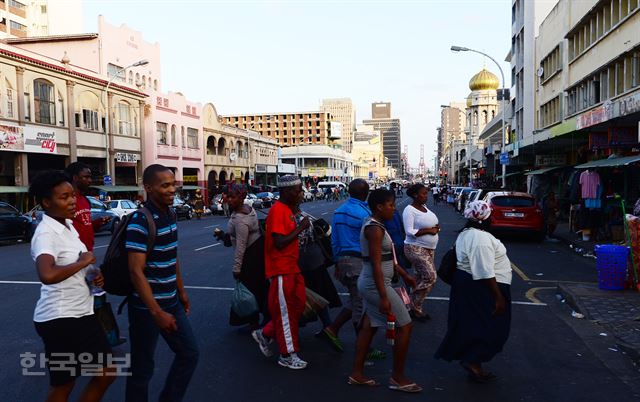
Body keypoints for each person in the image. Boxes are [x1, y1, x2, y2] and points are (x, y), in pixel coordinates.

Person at [29, 170, 115, 401]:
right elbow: (47, 274)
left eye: (72, 196)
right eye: (64, 197)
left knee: (106, 373)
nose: (72, 201)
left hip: (80, 313)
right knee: (64, 384)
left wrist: (92, 275)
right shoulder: (46, 233)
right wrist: (83, 262)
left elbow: (75, 265)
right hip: (60, 319)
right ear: (46, 202)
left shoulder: (68, 225)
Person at [125, 164, 199, 402]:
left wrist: (181, 290)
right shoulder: (140, 220)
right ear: (148, 188)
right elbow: (136, 271)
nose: (171, 190)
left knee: (189, 353)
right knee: (142, 369)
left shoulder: (170, 214)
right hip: (146, 309)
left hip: (172, 301)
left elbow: (172, 255)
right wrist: (155, 312)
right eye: (164, 185)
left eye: (173, 184)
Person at [349, 189, 420, 392]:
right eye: (391, 205)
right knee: (405, 325)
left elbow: (388, 258)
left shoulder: (378, 225)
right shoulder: (375, 229)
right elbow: (376, 263)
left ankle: (356, 374)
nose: (394, 208)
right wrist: (383, 296)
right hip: (375, 285)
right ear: (379, 207)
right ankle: (398, 377)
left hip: (376, 282)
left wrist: (405, 275)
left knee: (368, 327)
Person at [435, 200, 512, 383]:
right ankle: (473, 361)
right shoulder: (480, 238)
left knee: (475, 324)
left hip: (471, 285)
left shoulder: (468, 233)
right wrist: (498, 298)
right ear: (483, 217)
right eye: (490, 214)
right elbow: (484, 271)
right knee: (491, 327)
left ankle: (473, 361)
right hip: (482, 287)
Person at [251, 175, 310, 370]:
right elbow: (279, 242)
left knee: (297, 307)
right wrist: (301, 228)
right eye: (297, 190)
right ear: (285, 192)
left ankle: (266, 333)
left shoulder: (288, 210)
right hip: (281, 269)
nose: (300, 193)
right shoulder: (278, 211)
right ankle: (287, 354)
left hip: (292, 268)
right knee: (286, 313)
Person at [65, 162, 124, 347]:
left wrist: (97, 224)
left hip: (88, 258)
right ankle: (96, 340)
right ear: (75, 178)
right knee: (87, 300)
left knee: (97, 296)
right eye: (86, 176)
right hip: (75, 260)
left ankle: (107, 337)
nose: (90, 180)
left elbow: (84, 224)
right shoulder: (67, 200)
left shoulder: (84, 199)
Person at [321, 179, 370, 354]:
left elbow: (333, 240)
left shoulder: (340, 211)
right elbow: (370, 241)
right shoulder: (365, 214)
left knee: (355, 298)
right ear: (366, 193)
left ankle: (332, 328)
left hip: (343, 260)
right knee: (360, 305)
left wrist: (337, 262)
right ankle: (363, 348)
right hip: (358, 262)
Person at [219, 184, 268, 326]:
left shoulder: (240, 219)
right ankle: (262, 320)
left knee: (250, 291)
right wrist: (224, 236)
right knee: (259, 288)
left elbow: (241, 246)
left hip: (251, 257)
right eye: (228, 196)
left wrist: (237, 268)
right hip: (258, 252)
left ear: (241, 198)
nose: (229, 199)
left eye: (233, 197)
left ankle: (254, 322)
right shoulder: (248, 209)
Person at [403, 183, 440, 321]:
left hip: (429, 248)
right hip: (415, 248)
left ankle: (414, 308)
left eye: (426, 193)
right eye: (423, 194)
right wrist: (429, 230)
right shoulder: (409, 210)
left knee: (420, 278)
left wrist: (436, 229)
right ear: (415, 195)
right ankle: (411, 303)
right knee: (431, 277)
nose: (426, 196)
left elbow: (431, 224)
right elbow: (409, 231)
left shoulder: (424, 207)